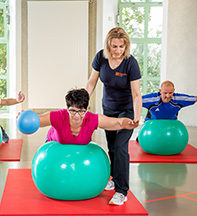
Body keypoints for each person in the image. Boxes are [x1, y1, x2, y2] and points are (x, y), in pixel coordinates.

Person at [85, 27, 142, 205]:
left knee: (121, 146)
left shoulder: (130, 63)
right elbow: (91, 82)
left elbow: (136, 94)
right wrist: (83, 103)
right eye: (114, 46)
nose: (118, 51)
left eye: (121, 47)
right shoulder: (101, 57)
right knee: (111, 147)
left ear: (126, 47)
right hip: (108, 109)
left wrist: (137, 117)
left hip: (127, 111)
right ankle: (114, 178)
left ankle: (122, 191)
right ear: (108, 45)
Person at [37, 88, 139, 145]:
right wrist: (26, 118)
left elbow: (116, 122)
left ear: (87, 108)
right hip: (54, 147)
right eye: (72, 111)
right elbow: (40, 120)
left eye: (81, 111)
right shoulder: (59, 116)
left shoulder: (92, 119)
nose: (77, 116)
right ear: (67, 107)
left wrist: (126, 123)